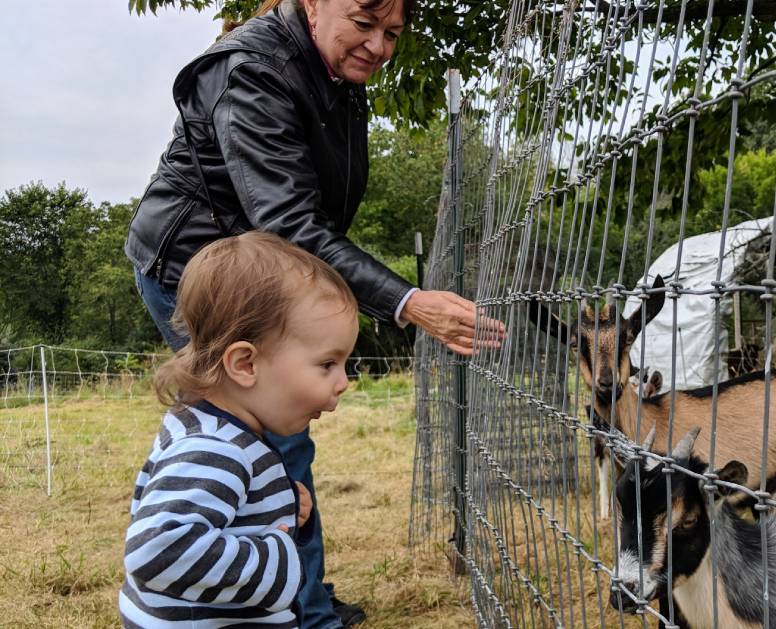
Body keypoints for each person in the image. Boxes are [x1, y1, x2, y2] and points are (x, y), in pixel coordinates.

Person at [124, 0, 504, 626]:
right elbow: (289, 219)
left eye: (392, 33)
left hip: (260, 269)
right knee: (267, 428)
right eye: (364, 22)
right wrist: (406, 300)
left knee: (274, 433)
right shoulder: (255, 69)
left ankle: (298, 598)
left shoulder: (332, 72)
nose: (380, 46)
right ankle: (299, 605)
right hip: (201, 271)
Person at [120, 232, 359, 628]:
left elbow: (218, 516)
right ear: (246, 364)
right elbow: (157, 552)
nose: (343, 381)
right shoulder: (215, 449)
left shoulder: (216, 429)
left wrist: (276, 508)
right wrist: (278, 557)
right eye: (327, 364)